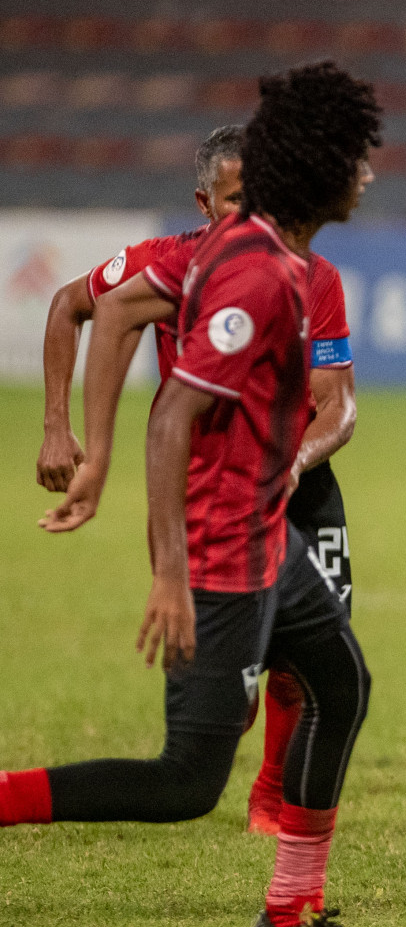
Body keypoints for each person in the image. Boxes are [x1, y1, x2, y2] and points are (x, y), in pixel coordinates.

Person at [3, 61, 391, 927]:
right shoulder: (260, 275)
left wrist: (93, 453)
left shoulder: (255, 252)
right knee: (185, 784)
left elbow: (115, 311)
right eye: (354, 158)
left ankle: (290, 914)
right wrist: (171, 573)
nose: (366, 175)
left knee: (342, 685)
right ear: (316, 168)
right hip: (219, 552)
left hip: (269, 538)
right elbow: (172, 412)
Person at [35, 125, 359, 837]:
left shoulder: (315, 276)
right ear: (204, 202)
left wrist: (297, 464)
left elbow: (338, 403)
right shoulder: (171, 267)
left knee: (329, 671)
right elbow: (76, 306)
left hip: (297, 485)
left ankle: (274, 808)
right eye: (237, 199)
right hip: (214, 498)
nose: (255, 213)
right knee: (193, 764)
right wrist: (65, 430)